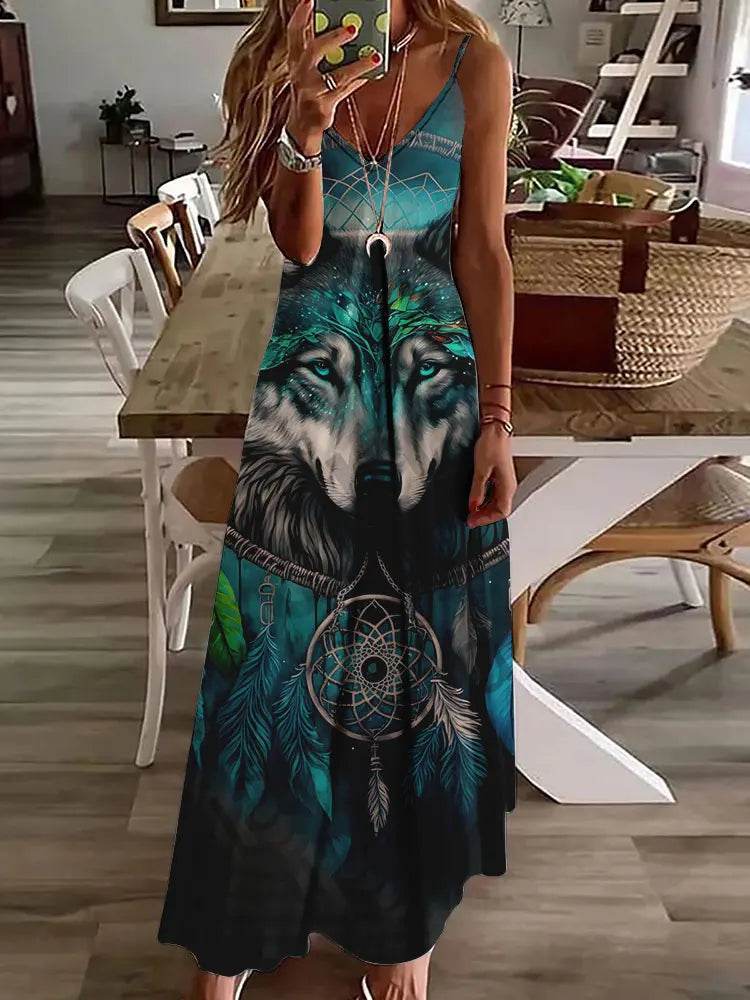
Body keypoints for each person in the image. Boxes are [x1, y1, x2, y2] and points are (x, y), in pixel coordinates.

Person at [159, 0, 517, 996]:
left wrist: (497, 415)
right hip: (310, 391)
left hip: (434, 396)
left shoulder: (475, 63)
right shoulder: (284, 54)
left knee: (420, 659)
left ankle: (402, 925)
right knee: (268, 652)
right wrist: (305, 129)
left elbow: (484, 250)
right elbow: (301, 244)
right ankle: (239, 918)